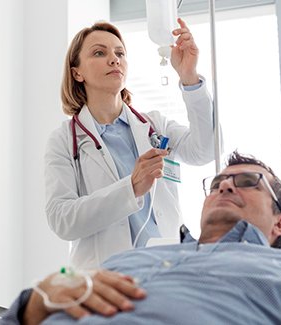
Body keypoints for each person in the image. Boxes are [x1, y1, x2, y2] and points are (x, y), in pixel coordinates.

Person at [0, 151, 281, 324]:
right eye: (217, 182)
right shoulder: (127, 260)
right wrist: (36, 302)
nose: (226, 184)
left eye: (248, 181)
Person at [44, 18, 216, 269]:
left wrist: (189, 77)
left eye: (120, 53)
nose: (114, 59)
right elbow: (62, 219)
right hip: (107, 278)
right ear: (77, 72)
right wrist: (131, 188)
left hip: (168, 268)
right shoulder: (64, 140)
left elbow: (205, 150)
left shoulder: (155, 125)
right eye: (99, 53)